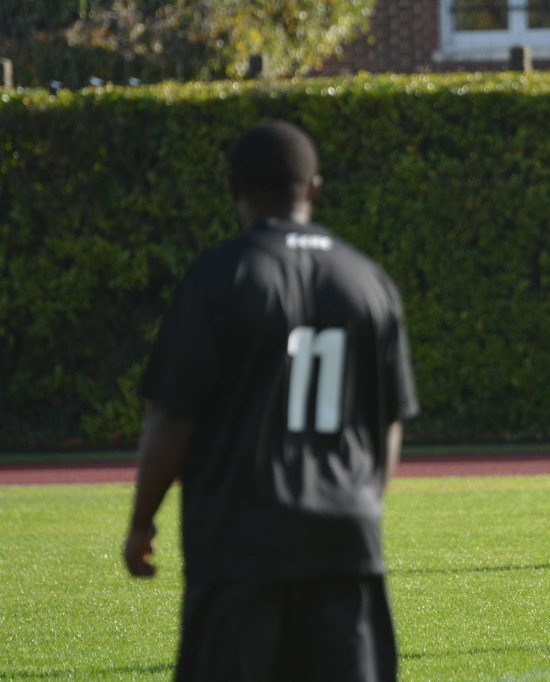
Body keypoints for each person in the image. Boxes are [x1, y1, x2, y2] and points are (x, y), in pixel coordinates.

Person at [122, 120, 418, 681]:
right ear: (313, 189)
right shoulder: (369, 280)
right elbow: (388, 423)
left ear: (234, 191)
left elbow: (170, 417)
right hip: (346, 542)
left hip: (242, 544)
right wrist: (363, 500)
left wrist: (142, 522)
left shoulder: (217, 278)